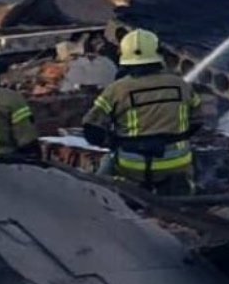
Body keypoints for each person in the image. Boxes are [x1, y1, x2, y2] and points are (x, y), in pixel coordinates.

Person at [81, 28, 202, 195]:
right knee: (190, 165)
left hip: (131, 163)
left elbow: (90, 128)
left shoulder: (116, 89)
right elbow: (198, 120)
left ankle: (101, 196)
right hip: (175, 161)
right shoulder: (180, 84)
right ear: (158, 53)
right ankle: (187, 191)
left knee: (106, 167)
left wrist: (112, 142)